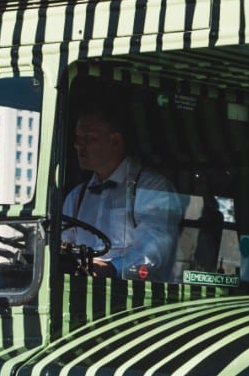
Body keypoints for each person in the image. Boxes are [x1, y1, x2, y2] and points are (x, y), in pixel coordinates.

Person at [61, 104, 182, 281]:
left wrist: (112, 268)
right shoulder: (76, 196)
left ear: (115, 142)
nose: (77, 145)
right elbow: (64, 244)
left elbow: (155, 248)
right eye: (77, 138)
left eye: (88, 138)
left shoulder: (151, 187)